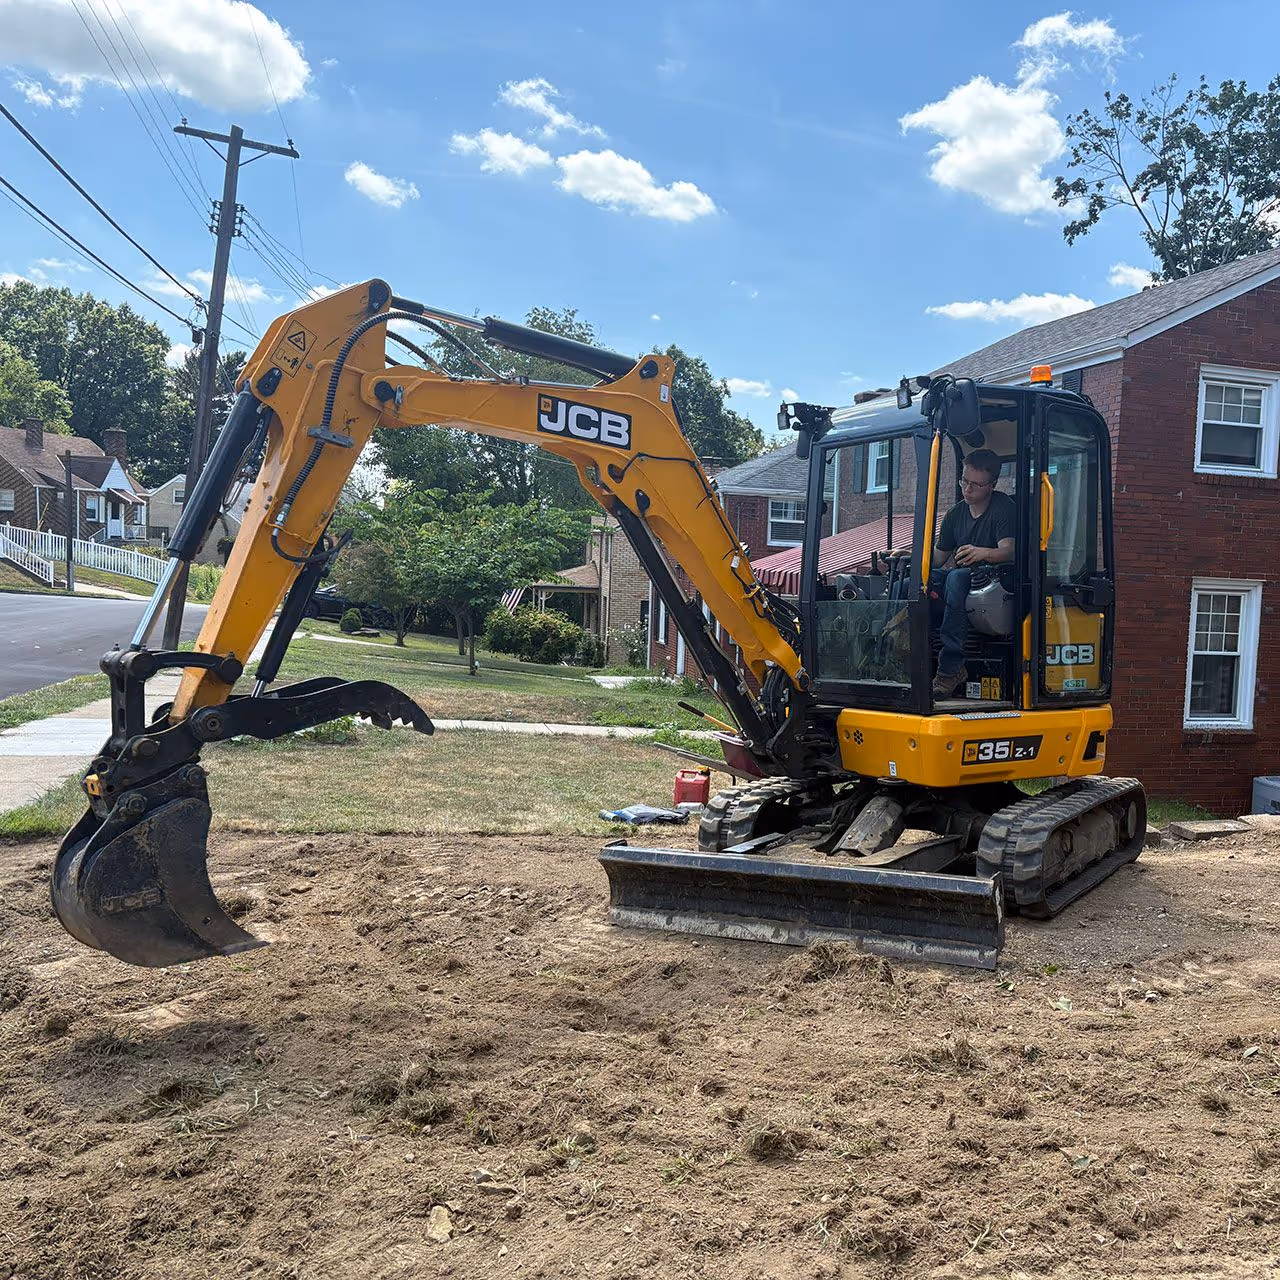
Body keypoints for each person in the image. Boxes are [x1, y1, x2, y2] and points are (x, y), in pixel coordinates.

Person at [926, 449, 1014, 698]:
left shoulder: (1003, 508)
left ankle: (951, 668)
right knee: (915, 581)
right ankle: (906, 656)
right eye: (964, 481)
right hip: (963, 580)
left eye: (976, 484)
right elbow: (938, 558)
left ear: (993, 484)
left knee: (956, 577)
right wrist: (911, 557)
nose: (968, 489)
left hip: (997, 582)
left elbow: (1010, 551)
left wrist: (983, 553)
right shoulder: (956, 514)